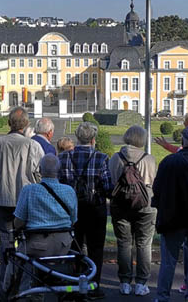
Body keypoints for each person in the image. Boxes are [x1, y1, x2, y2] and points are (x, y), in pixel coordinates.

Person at [0, 107, 43, 284]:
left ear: (9, 123)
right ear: (26, 124)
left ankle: (6, 281)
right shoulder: (32, 145)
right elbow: (40, 174)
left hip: (3, 200)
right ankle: (25, 282)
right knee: (27, 244)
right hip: (27, 203)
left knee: (6, 243)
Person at [6, 154, 78, 292]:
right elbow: (73, 220)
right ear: (59, 170)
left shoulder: (29, 190)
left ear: (39, 170)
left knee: (17, 260)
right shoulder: (69, 191)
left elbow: (19, 222)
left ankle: (11, 289)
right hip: (63, 244)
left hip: (37, 244)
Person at [152, 127, 188, 302]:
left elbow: (157, 189)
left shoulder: (169, 161)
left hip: (172, 218)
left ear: (182, 141)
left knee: (168, 261)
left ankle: (162, 296)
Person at [58, 122, 112, 300]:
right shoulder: (101, 158)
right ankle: (93, 285)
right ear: (93, 139)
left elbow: (58, 184)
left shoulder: (64, 157)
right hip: (95, 208)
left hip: (70, 208)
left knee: (74, 248)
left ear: (77, 138)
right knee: (96, 249)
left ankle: (74, 284)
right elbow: (108, 187)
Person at [108, 126, 157, 296]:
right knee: (144, 243)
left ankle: (124, 282)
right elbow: (152, 181)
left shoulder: (115, 158)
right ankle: (141, 283)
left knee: (124, 243)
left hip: (120, 204)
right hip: (145, 205)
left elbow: (112, 180)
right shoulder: (149, 159)